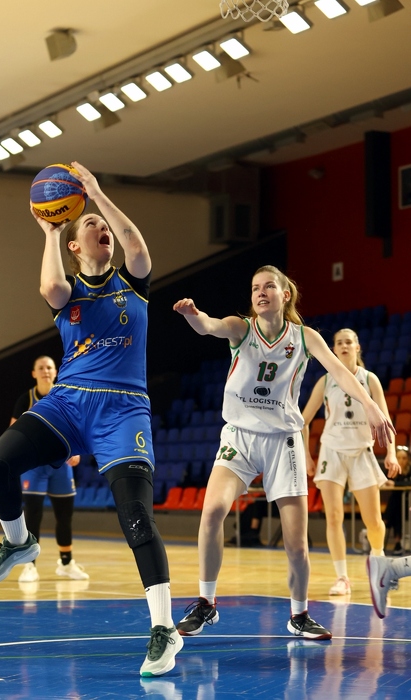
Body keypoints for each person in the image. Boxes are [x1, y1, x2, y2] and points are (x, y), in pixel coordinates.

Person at [0, 161, 183, 677]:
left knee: (136, 518)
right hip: (67, 404)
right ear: (74, 245)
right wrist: (50, 230)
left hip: (123, 409)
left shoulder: (133, 282)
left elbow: (136, 243)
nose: (102, 228)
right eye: (91, 225)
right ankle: (20, 542)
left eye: (105, 225)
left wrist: (96, 194)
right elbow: (49, 285)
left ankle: (164, 629)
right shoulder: (68, 293)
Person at [172, 265, 394, 640]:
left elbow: (340, 373)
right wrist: (195, 316)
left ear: (284, 294)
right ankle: (206, 603)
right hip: (240, 437)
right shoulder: (242, 329)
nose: (260, 292)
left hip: (284, 441)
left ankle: (299, 615)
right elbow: (211, 326)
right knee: (211, 512)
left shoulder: (304, 337)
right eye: (255, 287)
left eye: (268, 286)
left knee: (297, 543)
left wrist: (371, 405)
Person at [302, 328, 400, 596]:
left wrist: (390, 452)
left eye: (349, 342)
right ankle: (342, 577)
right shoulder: (325, 381)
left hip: (361, 452)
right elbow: (304, 421)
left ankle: (378, 560)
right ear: (333, 350)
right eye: (339, 343)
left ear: (358, 347)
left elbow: (385, 419)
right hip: (331, 452)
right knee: (333, 517)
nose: (344, 346)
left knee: (374, 522)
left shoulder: (370, 379)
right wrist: (307, 455)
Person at [12, 355, 89, 583]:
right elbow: (13, 432)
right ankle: (29, 565)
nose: (45, 370)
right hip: (34, 466)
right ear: (34, 373)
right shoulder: (25, 399)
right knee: (33, 516)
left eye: (49, 367)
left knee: (64, 516)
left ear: (56, 372)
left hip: (61, 464)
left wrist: (77, 450)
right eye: (41, 367)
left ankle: (66, 563)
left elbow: (78, 427)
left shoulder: (66, 396)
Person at [383, 446, 411, 555]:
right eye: (398, 458)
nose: (401, 460)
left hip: (407, 502)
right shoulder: (393, 469)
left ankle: (386, 521)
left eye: (404, 458)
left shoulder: (409, 471)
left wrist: (394, 484)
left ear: (408, 459)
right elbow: (385, 479)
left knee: (396, 509)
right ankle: (397, 543)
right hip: (396, 503)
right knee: (396, 511)